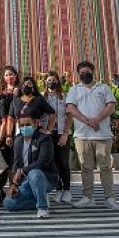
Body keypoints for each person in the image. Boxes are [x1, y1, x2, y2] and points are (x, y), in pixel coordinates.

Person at [66, 60, 119, 211]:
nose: (85, 75)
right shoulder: (74, 90)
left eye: (88, 72)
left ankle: (110, 198)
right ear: (78, 75)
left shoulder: (103, 88)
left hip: (102, 135)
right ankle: (88, 197)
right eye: (82, 73)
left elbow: (111, 106)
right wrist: (87, 120)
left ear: (93, 72)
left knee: (105, 168)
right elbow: (70, 108)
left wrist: (97, 120)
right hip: (82, 135)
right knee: (86, 167)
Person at [3, 114, 58, 218]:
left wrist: (22, 171)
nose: (25, 127)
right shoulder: (18, 140)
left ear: (35, 124)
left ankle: (42, 208)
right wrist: (13, 184)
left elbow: (43, 162)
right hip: (26, 180)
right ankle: (39, 199)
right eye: (22, 125)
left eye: (28, 124)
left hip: (45, 177)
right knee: (8, 203)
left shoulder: (44, 139)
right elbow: (16, 163)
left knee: (34, 173)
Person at [43, 71, 72, 204]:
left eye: (54, 80)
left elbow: (69, 116)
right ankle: (58, 189)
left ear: (58, 82)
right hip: (48, 134)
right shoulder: (42, 97)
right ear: (45, 82)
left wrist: (65, 133)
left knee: (64, 163)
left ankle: (66, 189)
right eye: (49, 80)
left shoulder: (64, 97)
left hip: (62, 133)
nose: (51, 82)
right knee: (53, 163)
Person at [0, 65, 20, 150]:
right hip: (2, 123)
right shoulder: (0, 90)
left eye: (11, 74)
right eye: (6, 75)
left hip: (14, 121)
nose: (9, 77)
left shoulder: (19, 89)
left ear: (16, 76)